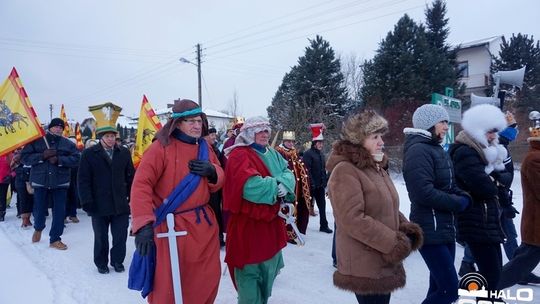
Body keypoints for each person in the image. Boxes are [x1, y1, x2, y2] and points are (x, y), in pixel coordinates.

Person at [130, 99, 224, 304]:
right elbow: (141, 185)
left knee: (207, 278)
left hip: (203, 228)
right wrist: (143, 224)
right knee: (170, 284)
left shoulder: (205, 148)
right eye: (191, 121)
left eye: (199, 121)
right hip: (170, 227)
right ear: (177, 123)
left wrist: (212, 172)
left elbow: (218, 178)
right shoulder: (160, 149)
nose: (197, 126)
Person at [327, 110, 422, 304]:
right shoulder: (345, 170)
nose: (381, 142)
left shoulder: (375, 167)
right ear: (358, 140)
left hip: (382, 259)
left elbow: (389, 206)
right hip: (365, 263)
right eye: (375, 137)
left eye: (381, 136)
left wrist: (405, 228)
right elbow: (352, 219)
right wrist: (393, 243)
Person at [222, 116, 295, 304]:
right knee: (249, 279)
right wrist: (277, 185)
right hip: (248, 228)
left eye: (266, 131)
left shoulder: (272, 153)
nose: (264, 134)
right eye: (259, 131)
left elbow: (288, 172)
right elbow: (250, 187)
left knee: (266, 277)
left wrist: (285, 184)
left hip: (270, 226)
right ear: (248, 133)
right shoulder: (239, 155)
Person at [402, 104, 471, 304]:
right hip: (429, 231)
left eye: (447, 122)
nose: (446, 127)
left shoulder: (436, 149)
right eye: (443, 122)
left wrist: (464, 196)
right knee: (450, 291)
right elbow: (423, 193)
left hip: (445, 228)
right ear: (429, 124)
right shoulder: (418, 151)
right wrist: (458, 203)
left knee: (439, 287)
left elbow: (449, 184)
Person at [448, 104, 507, 294]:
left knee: (494, 275)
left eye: (495, 132)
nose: (492, 137)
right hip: (476, 222)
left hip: (487, 222)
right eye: (490, 132)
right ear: (478, 131)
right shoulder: (465, 152)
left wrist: (495, 180)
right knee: (491, 276)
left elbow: (499, 180)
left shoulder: (482, 152)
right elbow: (485, 188)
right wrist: (495, 182)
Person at [78, 126, 135, 274]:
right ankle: (101, 262)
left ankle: (117, 261)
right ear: (101, 138)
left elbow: (130, 177)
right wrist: (87, 201)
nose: (111, 139)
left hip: (120, 203)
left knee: (120, 236)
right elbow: (83, 180)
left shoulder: (123, 152)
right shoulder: (89, 154)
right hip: (98, 203)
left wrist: (132, 197)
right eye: (108, 136)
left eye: (113, 136)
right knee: (101, 236)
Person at [21, 118, 80, 249]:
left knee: (59, 211)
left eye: (61, 127)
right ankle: (38, 228)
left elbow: (76, 159)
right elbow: (25, 158)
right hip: (41, 181)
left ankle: (55, 238)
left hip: (60, 182)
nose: (58, 129)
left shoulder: (68, 144)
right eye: (56, 127)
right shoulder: (37, 141)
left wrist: (59, 160)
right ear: (50, 127)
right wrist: (42, 156)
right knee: (40, 209)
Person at [497, 110, 540, 289]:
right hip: (537, 224)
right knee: (520, 265)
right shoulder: (535, 159)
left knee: (521, 261)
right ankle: (489, 288)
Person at [275, 130, 311, 242]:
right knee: (287, 209)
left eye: (292, 141)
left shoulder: (294, 152)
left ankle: (294, 231)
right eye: (288, 141)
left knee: (297, 208)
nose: (291, 144)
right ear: (284, 141)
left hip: (297, 187)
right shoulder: (279, 152)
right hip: (286, 188)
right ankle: (286, 234)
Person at [303, 123, 332, 233]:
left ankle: (323, 226)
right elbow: (307, 170)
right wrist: (311, 183)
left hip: (319, 186)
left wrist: (324, 183)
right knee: (304, 207)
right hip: (310, 186)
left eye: (322, 143)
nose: (321, 145)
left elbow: (323, 169)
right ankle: (300, 227)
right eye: (319, 143)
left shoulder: (321, 154)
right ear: (314, 143)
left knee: (322, 207)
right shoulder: (308, 154)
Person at [204, 127, 226, 247]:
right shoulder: (202, 150)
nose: (214, 137)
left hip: (217, 187)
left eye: (214, 135)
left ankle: (219, 237)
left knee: (217, 211)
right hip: (208, 189)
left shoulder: (216, 149)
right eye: (211, 135)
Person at [10, 148, 34, 228]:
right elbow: (12, 166)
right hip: (20, 180)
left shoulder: (31, 155)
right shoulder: (17, 156)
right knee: (23, 199)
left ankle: (28, 218)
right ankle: (24, 219)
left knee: (30, 199)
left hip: (30, 179)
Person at [0, 152, 13, 222]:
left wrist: (11, 175)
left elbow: (14, 166)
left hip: (4, 179)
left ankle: (1, 213)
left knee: (2, 196)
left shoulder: (9, 153)